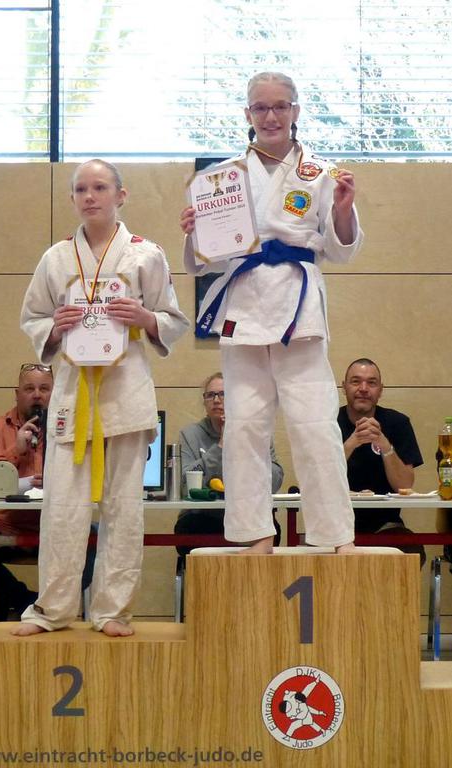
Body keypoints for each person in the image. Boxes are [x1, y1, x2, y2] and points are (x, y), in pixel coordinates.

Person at [181, 71, 364, 554]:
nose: (271, 116)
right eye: (260, 107)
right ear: (247, 114)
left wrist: (343, 210)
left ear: (296, 111)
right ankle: (255, 531)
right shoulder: (222, 178)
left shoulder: (320, 174)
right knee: (244, 427)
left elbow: (341, 250)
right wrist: (195, 232)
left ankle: (333, 533)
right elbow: (205, 260)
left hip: (298, 308)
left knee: (316, 425)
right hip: (244, 306)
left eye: (280, 106)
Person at [13, 159, 189, 638]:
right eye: (80, 189)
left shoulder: (145, 254)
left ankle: (112, 611)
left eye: (100, 187)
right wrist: (54, 327)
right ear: (72, 198)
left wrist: (145, 318)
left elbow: (173, 319)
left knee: (123, 508)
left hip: (126, 392)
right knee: (62, 509)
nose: (89, 196)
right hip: (73, 396)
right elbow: (32, 317)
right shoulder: (56, 258)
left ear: (120, 195)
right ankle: (52, 610)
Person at [0, 363, 98, 619]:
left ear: (56, 393)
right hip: (5, 525)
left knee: (101, 540)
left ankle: (57, 606)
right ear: (17, 394)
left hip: (61, 524)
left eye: (44, 389)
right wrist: (15, 451)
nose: (37, 395)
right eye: (29, 389)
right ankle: (25, 600)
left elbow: (95, 473)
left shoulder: (74, 427)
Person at [174, 371, 284, 555]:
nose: (216, 400)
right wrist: (221, 447)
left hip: (248, 515)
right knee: (190, 529)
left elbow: (276, 480)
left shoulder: (256, 431)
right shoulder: (190, 434)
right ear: (204, 402)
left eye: (223, 394)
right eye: (211, 395)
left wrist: (245, 445)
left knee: (270, 531)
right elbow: (184, 483)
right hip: (201, 516)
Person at [339, 358, 426, 565]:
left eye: (371, 383)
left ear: (380, 390)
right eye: (356, 381)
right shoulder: (328, 422)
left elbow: (405, 485)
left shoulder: (398, 423)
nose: (363, 389)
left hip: (386, 525)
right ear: (344, 387)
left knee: (410, 552)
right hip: (335, 524)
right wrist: (351, 443)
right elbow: (318, 481)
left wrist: (385, 445)